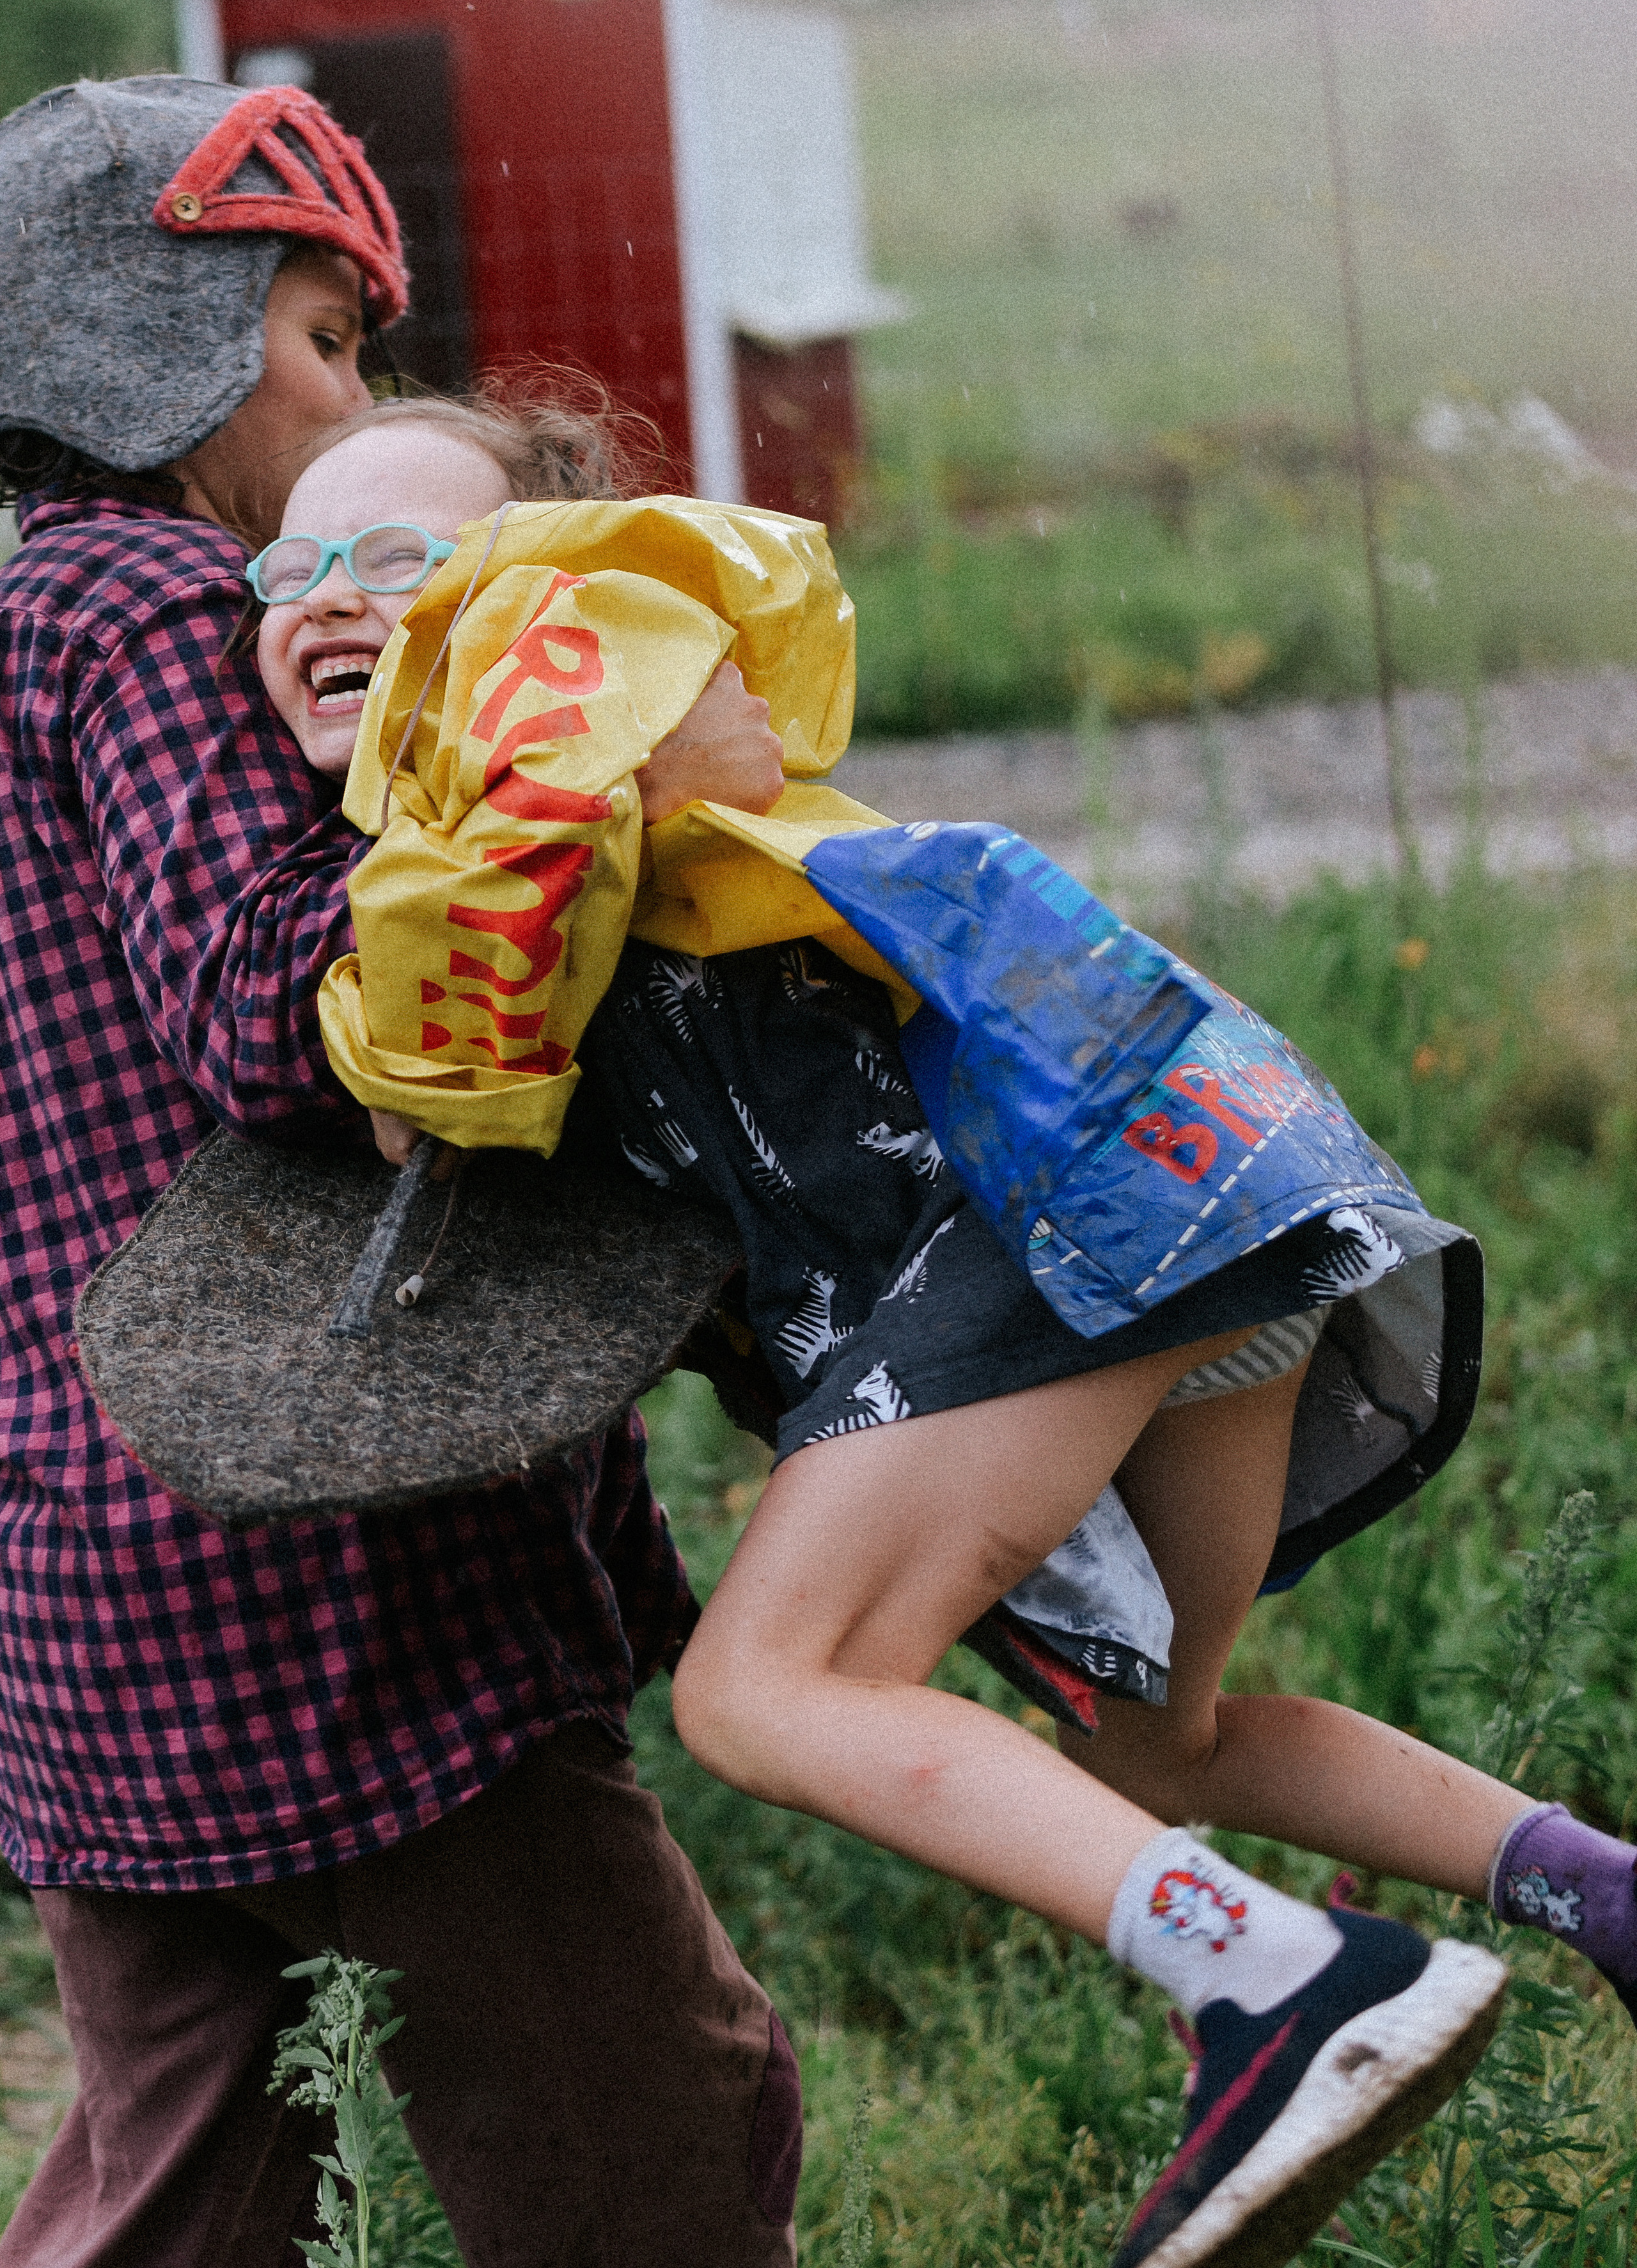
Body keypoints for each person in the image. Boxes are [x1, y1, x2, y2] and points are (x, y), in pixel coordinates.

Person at [249, 391, 1637, 2268]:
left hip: (1052, 1207)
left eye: (397, 556)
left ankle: (1286, 1982)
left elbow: (456, 1024)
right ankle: (1604, 1897)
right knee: (1162, 1741)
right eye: (289, 567)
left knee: (763, 1688)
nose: (334, 594)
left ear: (548, 559)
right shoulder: (528, 769)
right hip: (1191, 1176)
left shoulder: (585, 680)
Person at [0, 74, 804, 2268]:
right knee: (657, 2131)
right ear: (143, 341)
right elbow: (270, 998)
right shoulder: (159, 614)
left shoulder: (23, 630)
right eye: (328, 341)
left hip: (96, 1575)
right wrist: (560, 802)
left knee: (177, 2180)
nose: (363, 402)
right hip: (327, 1564)